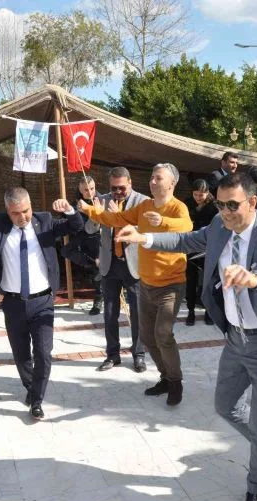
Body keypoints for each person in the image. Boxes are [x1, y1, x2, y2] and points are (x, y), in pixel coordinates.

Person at [114, 172, 257, 501]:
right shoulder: (219, 226)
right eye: (221, 204)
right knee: (224, 407)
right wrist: (144, 237)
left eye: (233, 205)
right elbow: (185, 240)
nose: (225, 211)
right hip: (236, 340)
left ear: (252, 202)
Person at [79, 163, 192, 405]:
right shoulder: (145, 205)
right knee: (148, 337)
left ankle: (175, 382)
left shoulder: (177, 207)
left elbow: (187, 228)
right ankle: (165, 377)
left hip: (171, 284)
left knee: (163, 333)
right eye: (151, 177)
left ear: (171, 183)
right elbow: (118, 217)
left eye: (158, 178)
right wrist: (92, 211)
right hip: (146, 283)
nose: (152, 181)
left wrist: (162, 221)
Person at [0, 187, 81, 419]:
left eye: (26, 210)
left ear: (31, 205)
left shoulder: (45, 221)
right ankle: (31, 388)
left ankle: (37, 399)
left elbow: (77, 226)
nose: (22, 217)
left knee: (43, 353)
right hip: (12, 303)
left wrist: (71, 211)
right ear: (7, 211)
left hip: (42, 301)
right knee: (21, 355)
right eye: (16, 213)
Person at [84, 167, 149, 372]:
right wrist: (97, 214)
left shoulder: (143, 202)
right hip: (109, 264)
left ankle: (139, 354)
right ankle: (112, 355)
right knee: (110, 313)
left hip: (134, 264)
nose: (118, 192)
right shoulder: (101, 200)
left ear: (130, 183)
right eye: (114, 188)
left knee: (138, 312)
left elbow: (147, 230)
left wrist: (118, 216)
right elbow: (89, 229)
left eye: (122, 188)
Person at [62, 177, 103, 316]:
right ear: (80, 189)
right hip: (81, 235)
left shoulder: (102, 200)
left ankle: (99, 298)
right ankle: (92, 262)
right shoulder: (75, 203)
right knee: (66, 250)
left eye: (92, 188)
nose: (89, 192)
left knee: (97, 271)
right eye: (86, 190)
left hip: (98, 236)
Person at [183, 179, 217, 326]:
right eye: (196, 194)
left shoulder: (214, 205)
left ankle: (209, 312)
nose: (198, 198)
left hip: (208, 247)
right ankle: (191, 311)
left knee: (208, 281)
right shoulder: (187, 203)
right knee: (190, 280)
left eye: (201, 195)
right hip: (190, 246)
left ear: (208, 193)